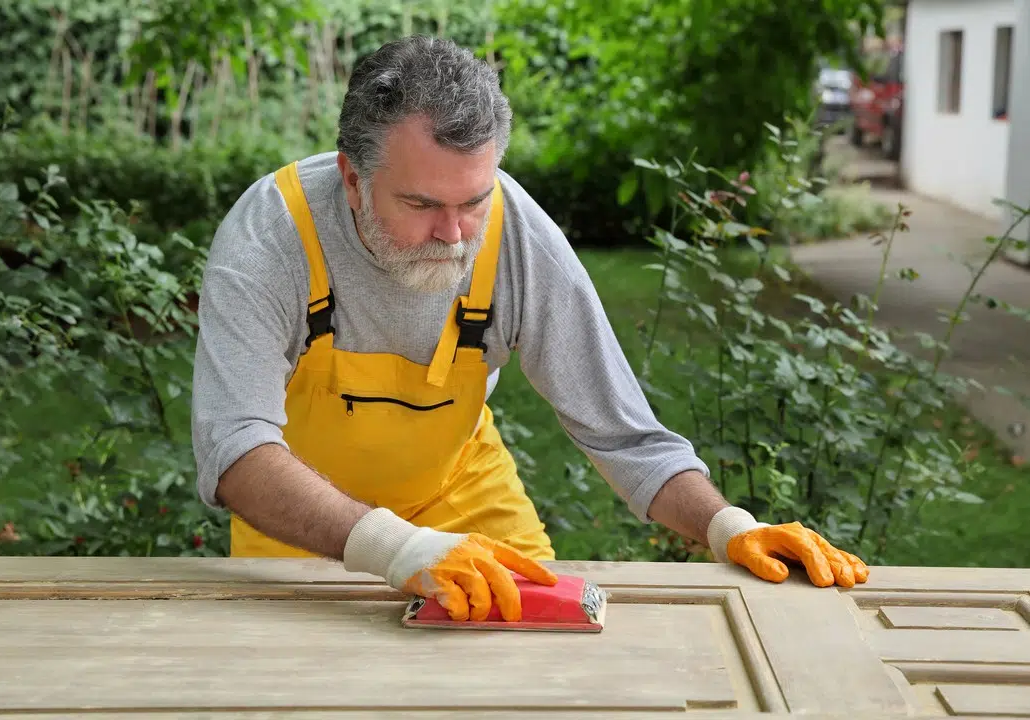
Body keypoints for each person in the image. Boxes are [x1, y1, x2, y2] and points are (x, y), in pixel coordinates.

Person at [190, 35, 868, 623]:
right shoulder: (273, 235)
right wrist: (395, 548)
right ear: (351, 177)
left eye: (474, 201)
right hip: (306, 524)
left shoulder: (516, 233)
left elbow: (620, 429)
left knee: (547, 665)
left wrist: (730, 528)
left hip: (462, 498)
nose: (454, 235)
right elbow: (235, 447)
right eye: (421, 203)